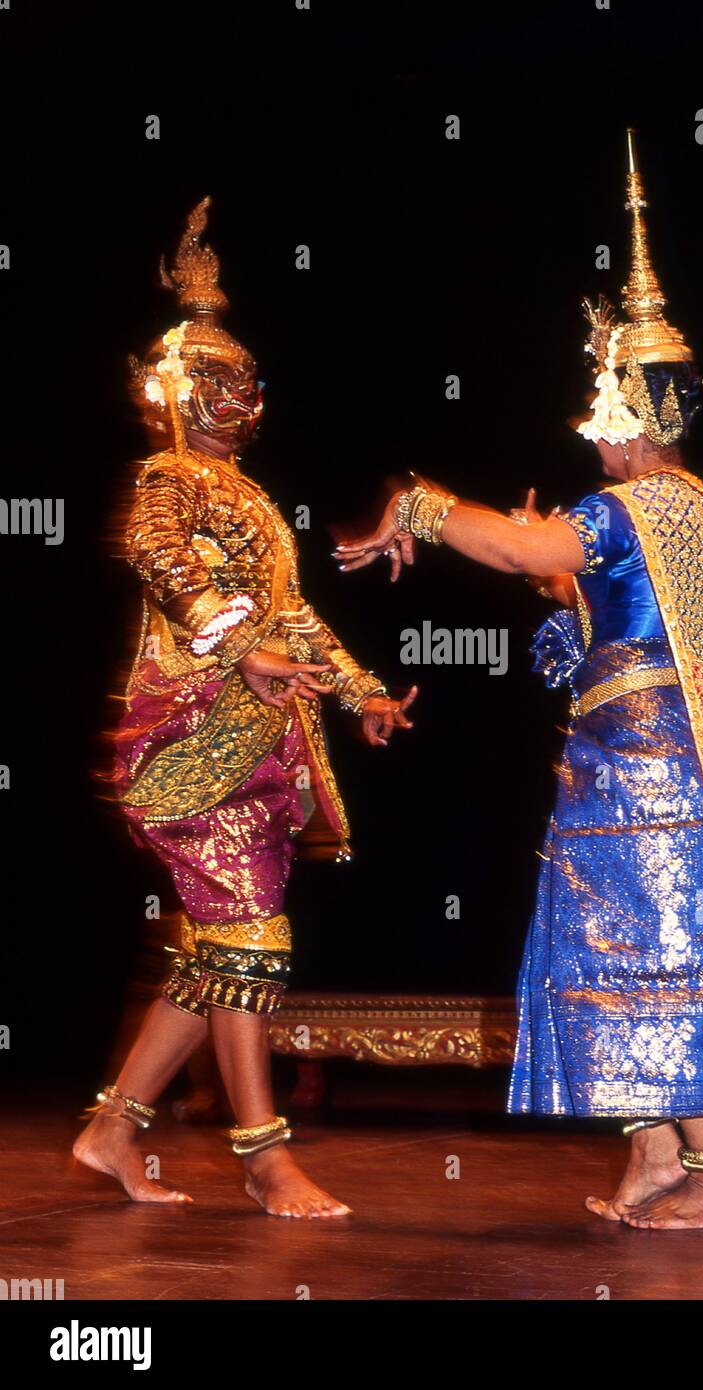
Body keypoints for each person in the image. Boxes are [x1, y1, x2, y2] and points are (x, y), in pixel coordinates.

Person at [335, 132, 703, 1230]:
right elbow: (587, 597)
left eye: (605, 412)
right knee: (613, 947)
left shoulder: (639, 505)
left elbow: (538, 555)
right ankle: (656, 1159)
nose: (596, 435)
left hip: (649, 768)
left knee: (662, 952)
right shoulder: (688, 510)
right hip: (636, 755)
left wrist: (423, 504)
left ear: (634, 412)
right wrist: (550, 574)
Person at [74, 199, 416, 1219]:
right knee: (253, 942)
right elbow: (161, 559)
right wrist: (238, 644)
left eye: (249, 384)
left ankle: (110, 1130)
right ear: (179, 390)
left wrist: (358, 692)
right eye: (222, 383)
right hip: (185, 741)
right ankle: (264, 1154)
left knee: (217, 949)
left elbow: (291, 612)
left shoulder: (251, 496)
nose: (243, 400)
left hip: (257, 744)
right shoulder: (166, 477)